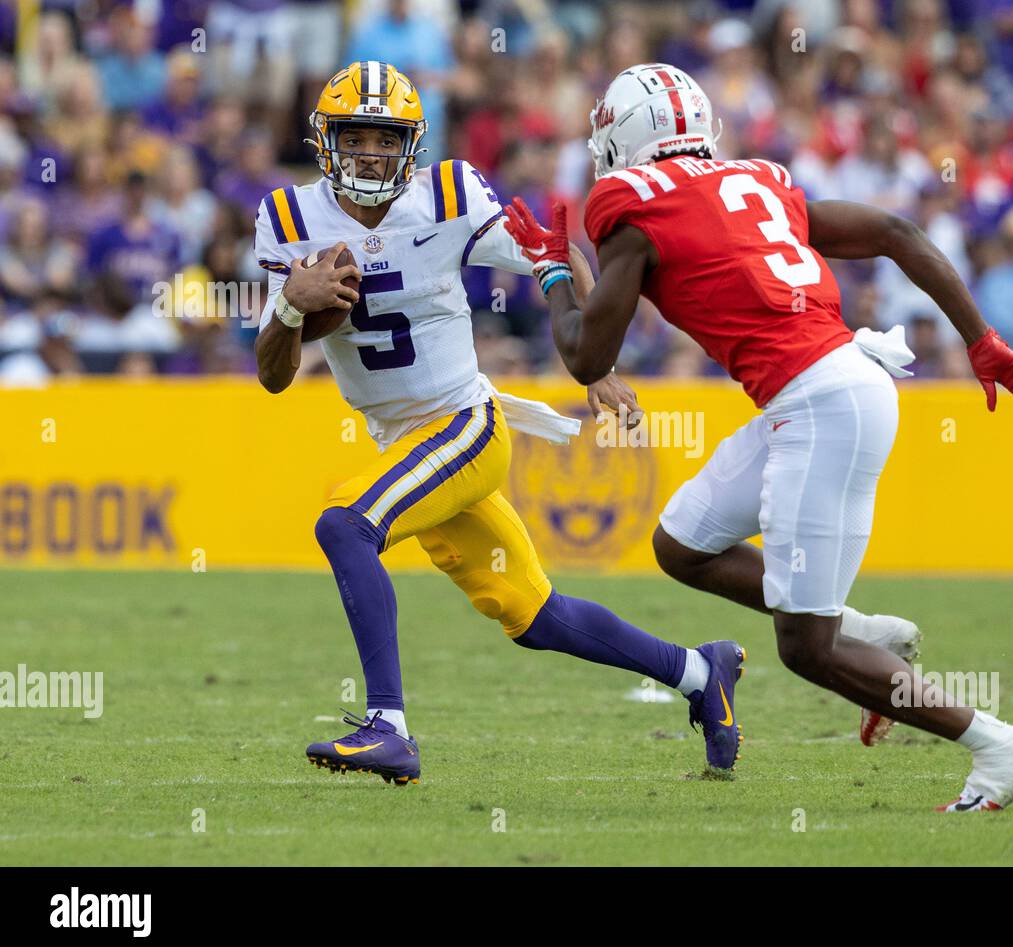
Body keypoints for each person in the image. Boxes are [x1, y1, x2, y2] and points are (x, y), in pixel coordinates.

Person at [505, 63, 1013, 811]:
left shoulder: (630, 203)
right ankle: (866, 629)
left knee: (807, 648)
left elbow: (585, 356)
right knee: (683, 543)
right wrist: (979, 339)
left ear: (626, 137)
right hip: (832, 385)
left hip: (820, 403)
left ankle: (998, 743)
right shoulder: (758, 180)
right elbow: (896, 231)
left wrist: (550, 276)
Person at [253, 61, 745, 785]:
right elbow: (273, 375)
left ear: (411, 145)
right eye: (352, 136)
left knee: (344, 523)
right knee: (535, 614)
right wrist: (293, 305)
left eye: (383, 138)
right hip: (406, 441)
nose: (367, 153)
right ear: (324, 141)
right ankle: (703, 673)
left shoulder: (448, 193)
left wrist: (595, 360)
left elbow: (555, 254)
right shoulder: (289, 219)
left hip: (463, 424)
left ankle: (388, 725)